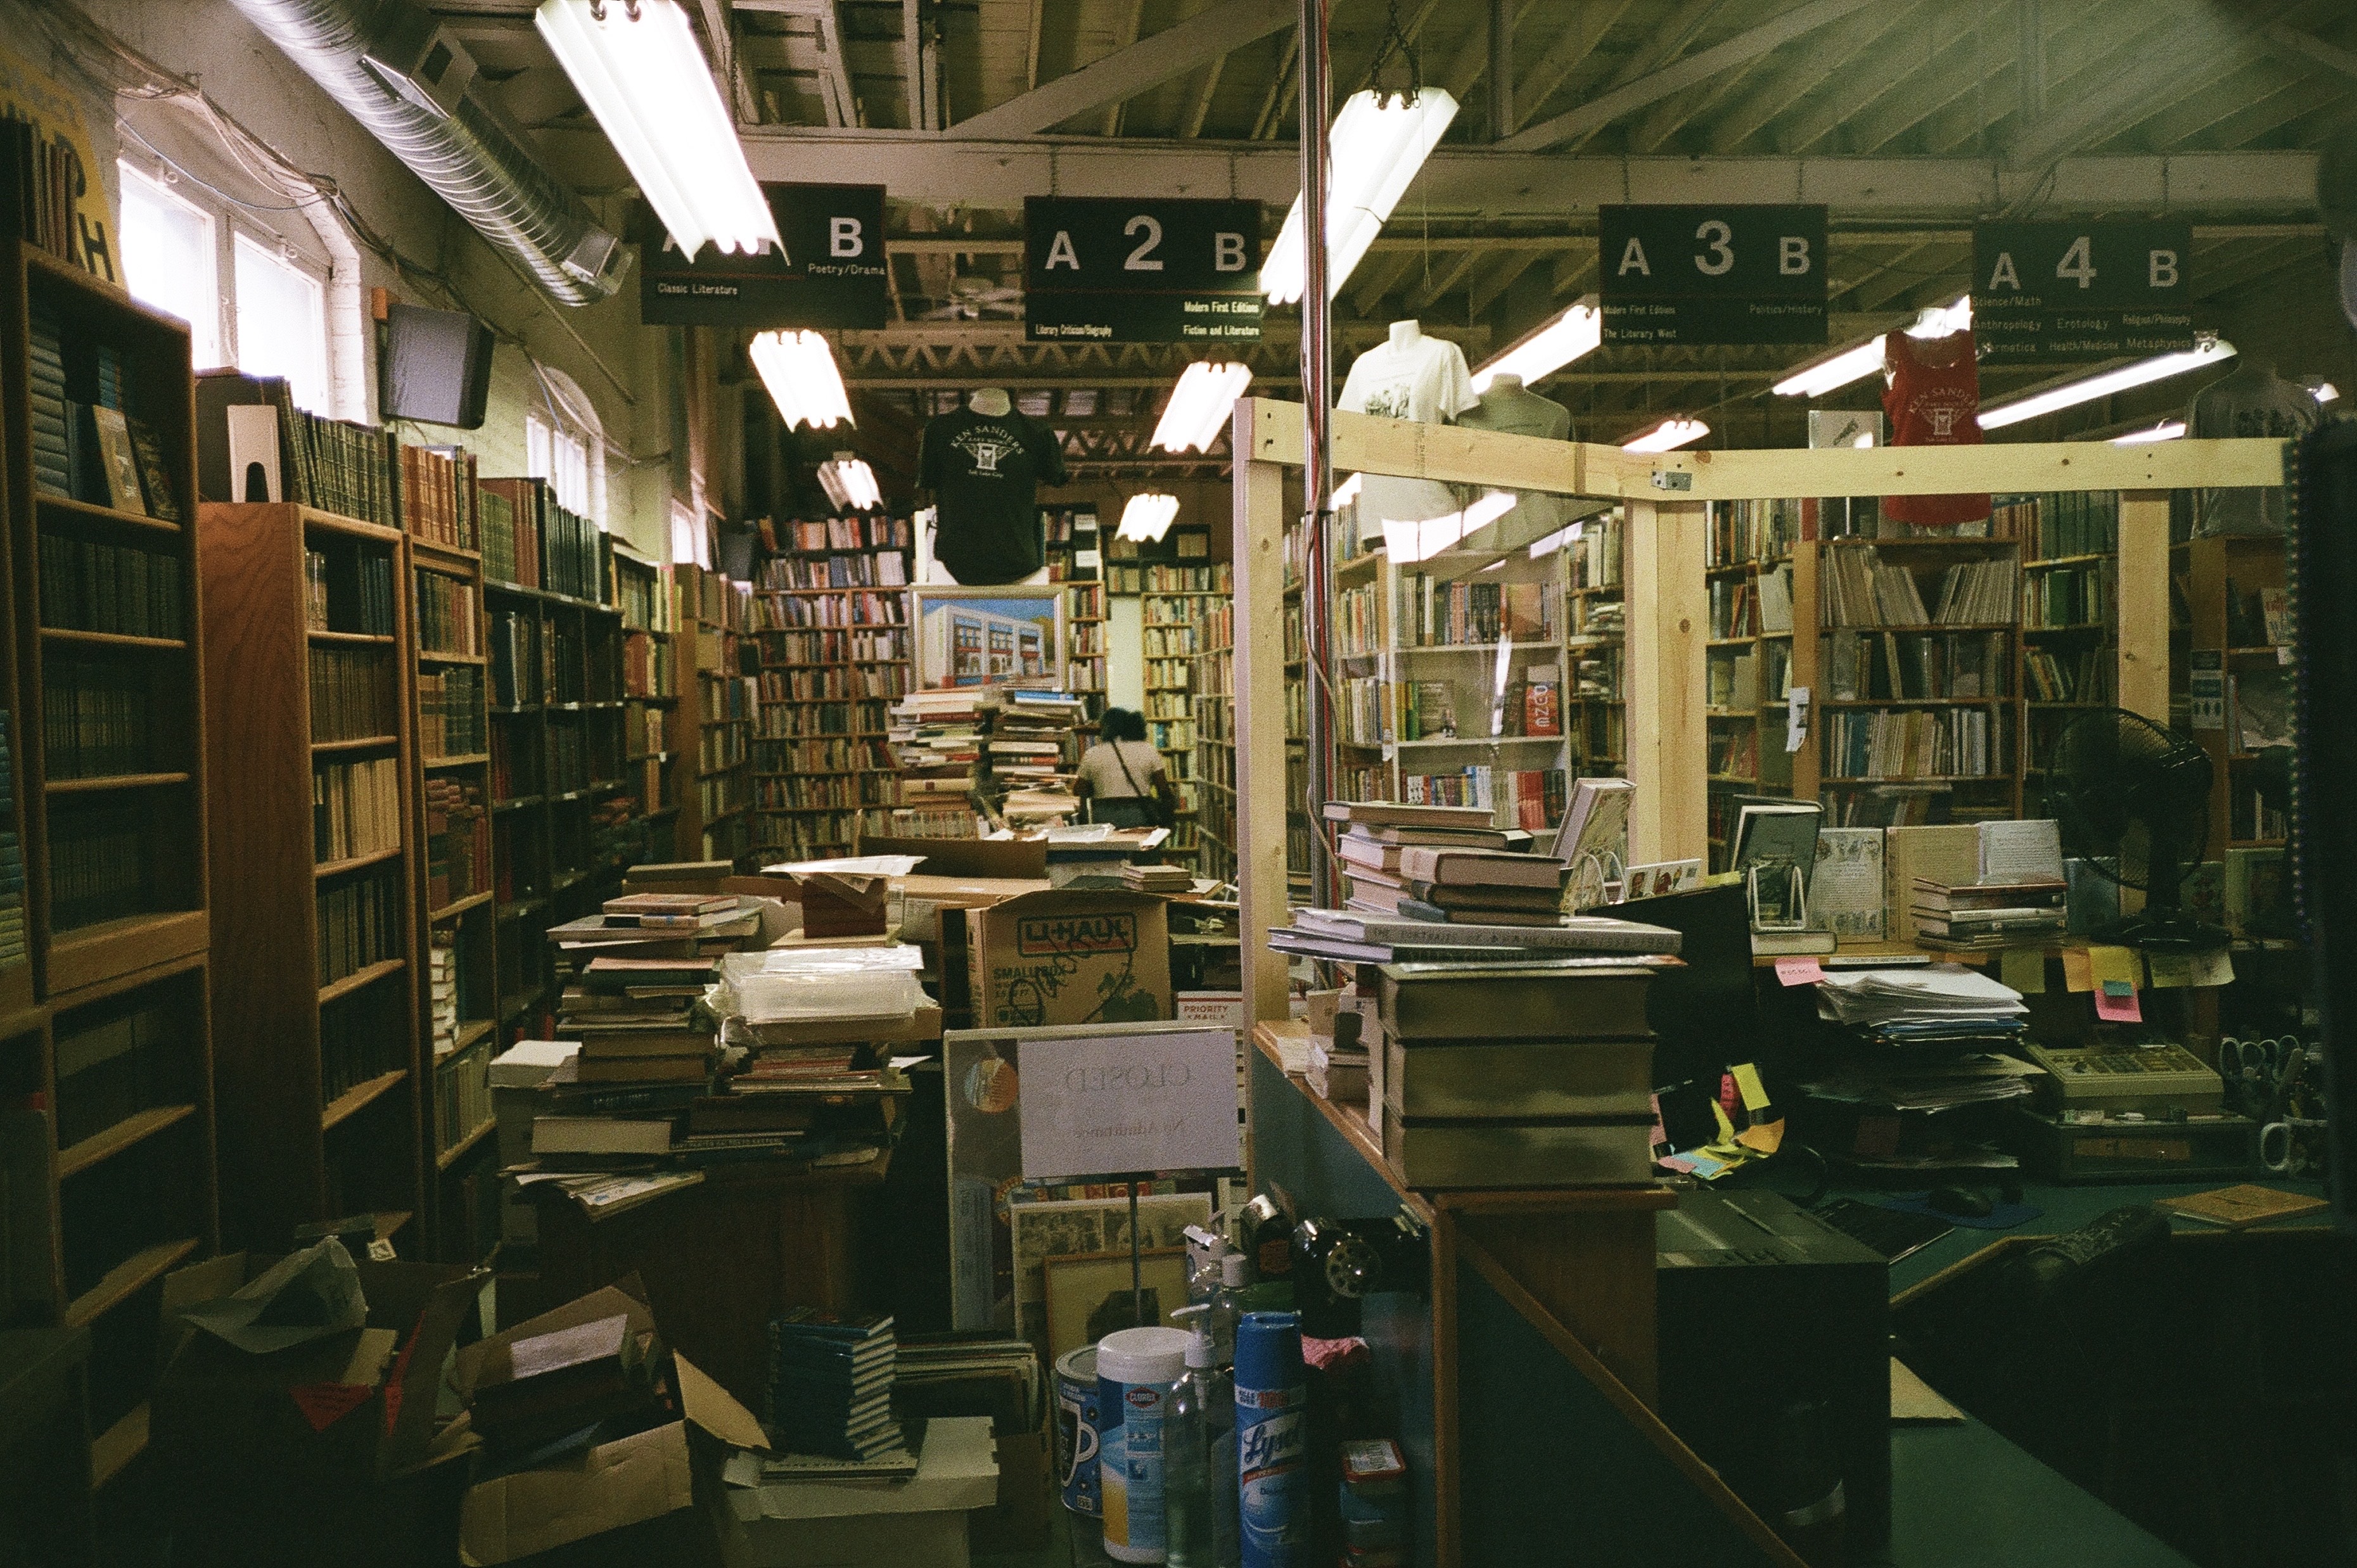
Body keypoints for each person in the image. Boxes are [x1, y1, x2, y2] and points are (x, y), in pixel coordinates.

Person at [1072, 708, 1177, 829]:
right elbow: (1163, 789)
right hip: (1140, 814)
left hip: (1104, 815)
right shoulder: (1148, 750)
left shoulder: (1093, 753)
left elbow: (1079, 790)